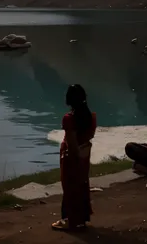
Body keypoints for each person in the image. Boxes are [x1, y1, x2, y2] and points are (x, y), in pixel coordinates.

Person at [52, 84, 97, 232]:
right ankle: (81, 219)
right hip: (85, 154)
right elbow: (89, 135)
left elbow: (72, 143)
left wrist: (73, 156)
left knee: (69, 186)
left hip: (72, 157)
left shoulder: (69, 118)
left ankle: (69, 220)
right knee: (82, 184)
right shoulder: (90, 117)